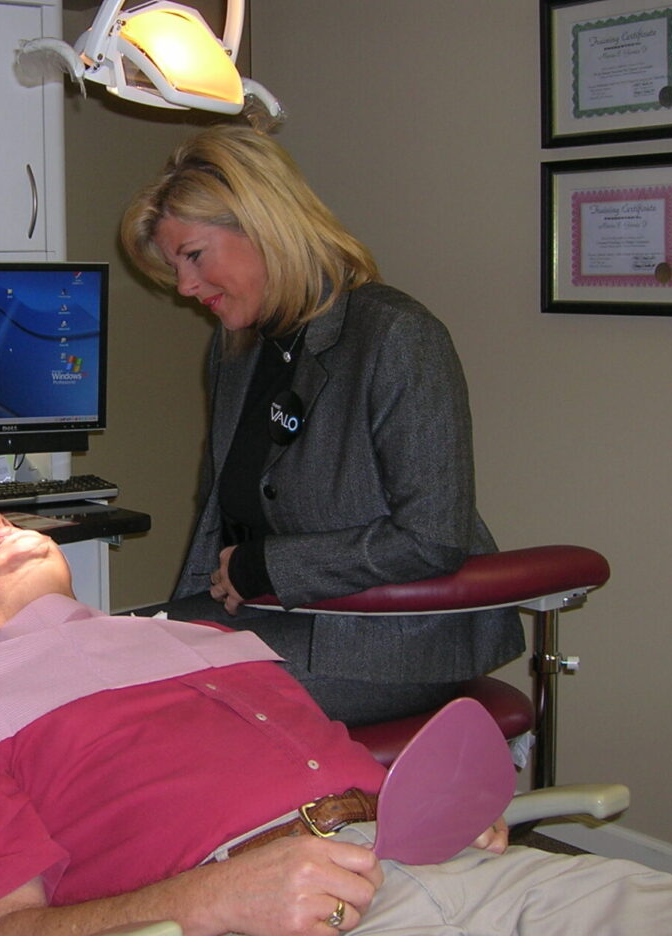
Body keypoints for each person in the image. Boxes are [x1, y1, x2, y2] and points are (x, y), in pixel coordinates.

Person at [0, 517, 672, 936]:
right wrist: (202, 905)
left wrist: (438, 802)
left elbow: (322, 767)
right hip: (273, 917)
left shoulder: (200, 638)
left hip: (454, 865)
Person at [119, 125, 521, 726]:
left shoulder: (395, 337)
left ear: (264, 225)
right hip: (278, 617)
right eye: (175, 267)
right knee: (93, 668)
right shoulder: (238, 351)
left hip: (394, 641)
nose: (184, 287)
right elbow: (220, 513)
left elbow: (432, 538)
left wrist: (264, 568)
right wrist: (189, 610)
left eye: (194, 256)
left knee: (164, 716)